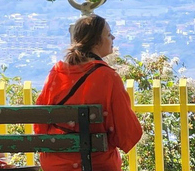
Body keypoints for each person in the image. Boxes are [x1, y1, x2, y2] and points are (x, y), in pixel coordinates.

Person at [34, 14, 142, 171]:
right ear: (96, 41)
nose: (113, 37)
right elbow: (127, 135)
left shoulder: (56, 73)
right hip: (96, 164)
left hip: (54, 164)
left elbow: (40, 127)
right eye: (108, 34)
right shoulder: (108, 77)